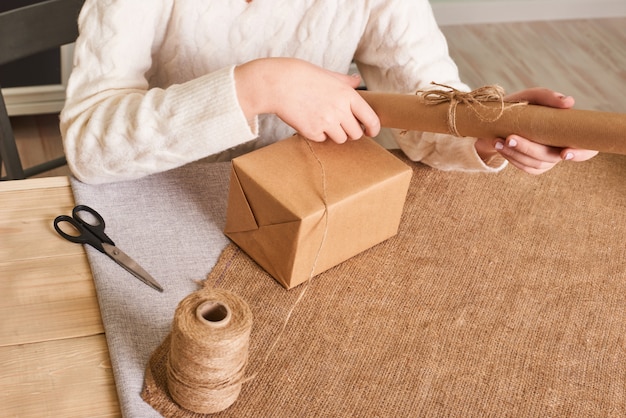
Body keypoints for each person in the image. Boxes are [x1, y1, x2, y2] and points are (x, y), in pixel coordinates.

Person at [60, 0, 597, 184]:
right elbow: (88, 144)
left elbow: (426, 98)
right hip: (156, 189)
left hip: (304, 195)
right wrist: (260, 85)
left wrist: (489, 132)